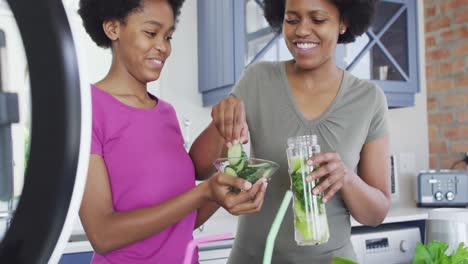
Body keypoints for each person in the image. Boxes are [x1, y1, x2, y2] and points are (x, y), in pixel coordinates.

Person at [190, 0, 391, 263]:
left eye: (318, 20)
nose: (302, 31)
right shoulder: (257, 79)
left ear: (343, 23)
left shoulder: (368, 99)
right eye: (292, 20)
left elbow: (376, 214)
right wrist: (222, 121)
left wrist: (347, 179)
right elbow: (198, 168)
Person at [77, 0, 268, 263]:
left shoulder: (165, 113)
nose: (163, 47)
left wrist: (228, 191)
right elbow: (102, 234)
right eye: (151, 33)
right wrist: (203, 192)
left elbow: (181, 222)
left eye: (168, 36)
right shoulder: (88, 110)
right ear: (112, 28)